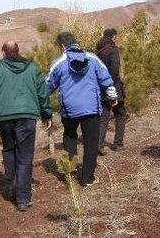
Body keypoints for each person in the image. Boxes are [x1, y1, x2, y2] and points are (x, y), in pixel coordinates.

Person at [0, 41, 52, 211]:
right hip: (27, 116)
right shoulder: (32, 67)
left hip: (3, 117)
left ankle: (14, 186)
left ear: (4, 52)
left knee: (9, 149)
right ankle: (22, 198)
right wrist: (46, 114)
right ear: (18, 51)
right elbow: (42, 93)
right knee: (25, 156)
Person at [46, 32, 118, 187]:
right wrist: (112, 97)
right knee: (91, 143)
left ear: (63, 46)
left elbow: (47, 86)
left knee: (70, 138)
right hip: (91, 108)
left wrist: (42, 105)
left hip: (69, 109)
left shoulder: (58, 63)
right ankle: (87, 178)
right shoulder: (93, 58)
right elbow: (106, 80)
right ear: (75, 42)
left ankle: (71, 174)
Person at [96, 28, 127, 154]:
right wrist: (112, 89)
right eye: (116, 37)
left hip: (100, 87)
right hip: (113, 87)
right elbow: (115, 69)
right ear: (113, 37)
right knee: (120, 114)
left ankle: (99, 144)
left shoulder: (97, 50)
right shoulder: (113, 50)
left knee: (104, 116)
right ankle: (118, 144)